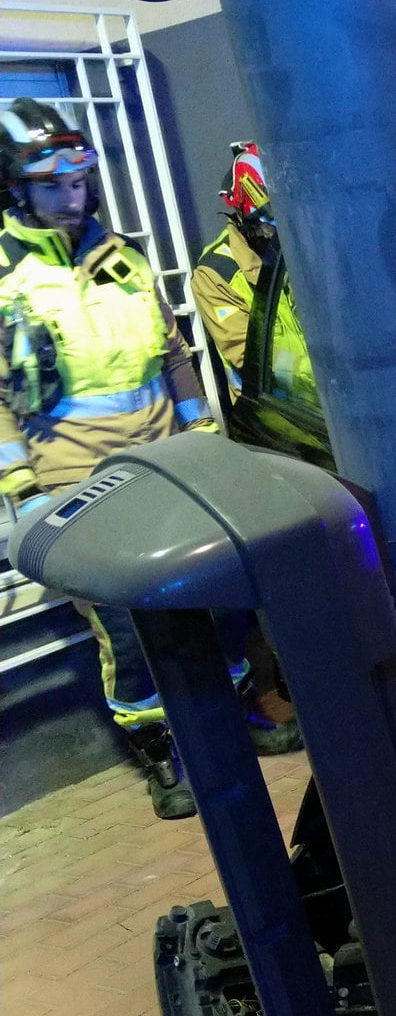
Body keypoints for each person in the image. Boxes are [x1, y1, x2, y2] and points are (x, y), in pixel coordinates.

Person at [0, 101, 298, 817]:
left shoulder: (126, 258)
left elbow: (173, 355)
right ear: (16, 190)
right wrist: (22, 488)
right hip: (74, 473)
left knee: (215, 596)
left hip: (165, 455)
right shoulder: (6, 277)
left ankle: (234, 719)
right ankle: (161, 749)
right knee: (126, 626)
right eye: (51, 185)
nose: (71, 197)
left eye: (78, 181)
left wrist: (203, 437)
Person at [191, 141, 322, 456]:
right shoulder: (215, 274)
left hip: (330, 416)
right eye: (269, 226)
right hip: (279, 428)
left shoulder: (312, 247)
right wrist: (333, 373)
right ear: (243, 215)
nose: (279, 237)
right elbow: (255, 358)